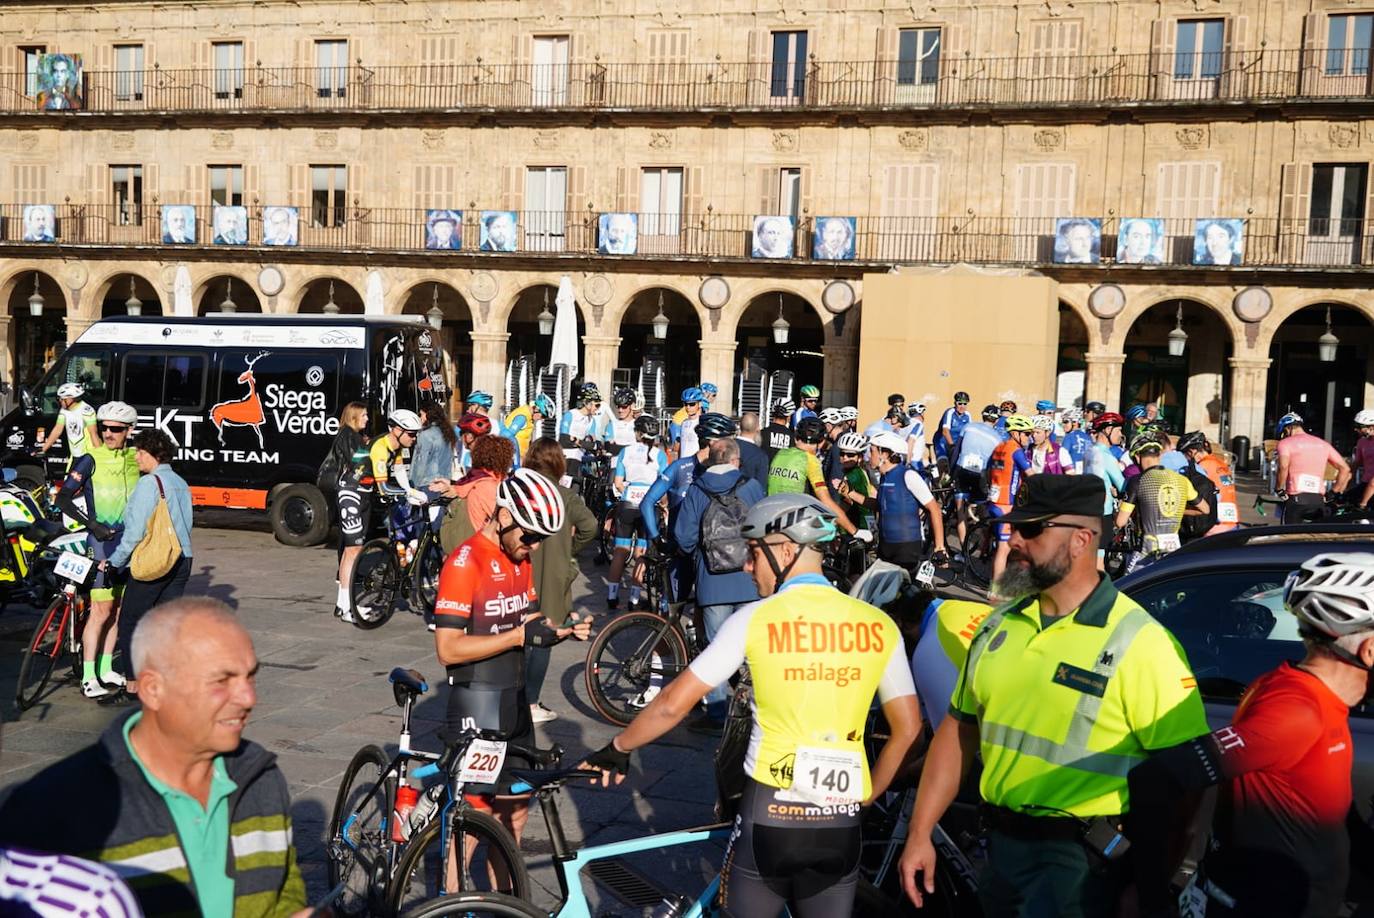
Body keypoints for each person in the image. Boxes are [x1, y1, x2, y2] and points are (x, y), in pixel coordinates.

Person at [583, 494, 921, 918]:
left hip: (771, 815)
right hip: (841, 822)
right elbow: (908, 729)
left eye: (753, 552)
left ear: (785, 550)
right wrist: (868, 796)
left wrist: (619, 747)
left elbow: (672, 704)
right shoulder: (879, 624)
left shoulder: (756, 618)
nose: (747, 566)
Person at [897, 474, 1208, 918]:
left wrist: (1151, 881)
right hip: (1002, 852)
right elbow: (959, 733)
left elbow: (1186, 778)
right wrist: (920, 832)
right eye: (1014, 528)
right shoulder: (996, 626)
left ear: (1081, 540)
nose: (1015, 540)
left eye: (1032, 529)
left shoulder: (1140, 642)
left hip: (1080, 865)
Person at [0, 598, 312, 917]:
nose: (249, 698)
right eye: (222, 680)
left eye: (250, 677)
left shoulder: (260, 778)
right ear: (152, 689)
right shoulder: (49, 810)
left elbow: (283, 887)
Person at [1127, 552, 1374, 918]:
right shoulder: (1296, 712)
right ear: (1369, 650)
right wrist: (1149, 896)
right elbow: (1156, 779)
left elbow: (1331, 810)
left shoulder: (1319, 697)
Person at [434, 468, 590, 844]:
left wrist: (560, 630)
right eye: (530, 535)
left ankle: (508, 902)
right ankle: (455, 902)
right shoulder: (464, 562)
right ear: (504, 516)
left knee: (516, 816)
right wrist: (517, 636)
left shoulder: (519, 559)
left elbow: (529, 619)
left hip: (514, 702)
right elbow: (447, 649)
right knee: (472, 827)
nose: (534, 545)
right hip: (478, 704)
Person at [672, 437, 766, 731]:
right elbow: (765, 527)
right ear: (735, 461)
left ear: (712, 460)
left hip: (712, 583)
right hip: (750, 580)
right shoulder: (750, 487)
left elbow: (683, 538)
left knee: (715, 650)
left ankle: (715, 713)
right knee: (753, 651)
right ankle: (756, 710)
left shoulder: (697, 490)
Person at [55, 400, 140, 700]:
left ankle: (106, 668)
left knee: (118, 610)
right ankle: (89, 675)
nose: (108, 433)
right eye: (104, 427)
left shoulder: (135, 457)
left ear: (129, 431)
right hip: (101, 542)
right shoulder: (90, 458)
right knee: (100, 611)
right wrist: (92, 525)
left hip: (128, 544)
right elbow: (62, 500)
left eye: (116, 429)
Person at [104, 429, 194, 701]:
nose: (136, 458)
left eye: (139, 452)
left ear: (152, 453)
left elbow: (135, 533)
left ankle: (133, 686)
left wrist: (114, 561)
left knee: (131, 620)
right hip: (182, 559)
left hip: (155, 561)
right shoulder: (180, 482)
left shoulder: (149, 484)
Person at [520, 439, 599, 723]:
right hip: (553, 573)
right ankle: (530, 702)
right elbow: (590, 527)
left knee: (515, 634)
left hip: (520, 568)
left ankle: (514, 697)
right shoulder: (565, 496)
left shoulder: (520, 490)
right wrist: (571, 549)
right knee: (544, 634)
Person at [1115, 430, 1209, 573]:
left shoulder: (1138, 481)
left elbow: (1120, 522)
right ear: (1159, 455)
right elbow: (1205, 509)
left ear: (1138, 457)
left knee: (1130, 589)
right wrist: (1177, 510)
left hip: (1145, 549)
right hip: (1173, 548)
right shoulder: (1181, 480)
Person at [768, 417, 868, 542]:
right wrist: (855, 531)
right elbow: (826, 501)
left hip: (771, 518)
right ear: (821, 441)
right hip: (793, 525)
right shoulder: (811, 460)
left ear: (796, 437)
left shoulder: (781, 454)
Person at [859, 431, 946, 570]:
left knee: (904, 590)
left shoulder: (908, 475)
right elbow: (880, 505)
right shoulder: (884, 477)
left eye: (872, 450)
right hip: (885, 545)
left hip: (906, 547)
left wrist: (940, 547)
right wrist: (850, 493)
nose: (869, 455)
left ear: (885, 454)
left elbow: (934, 508)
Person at [607, 416, 668, 610]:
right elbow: (664, 485)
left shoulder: (626, 451)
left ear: (638, 433)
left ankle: (611, 596)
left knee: (620, 551)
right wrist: (664, 505)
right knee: (641, 553)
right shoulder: (660, 454)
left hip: (627, 502)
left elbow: (617, 482)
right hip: (648, 506)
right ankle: (633, 599)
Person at [327, 402, 371, 621]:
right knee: (354, 550)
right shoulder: (349, 436)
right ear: (353, 417)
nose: (367, 419)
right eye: (363, 415)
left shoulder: (349, 435)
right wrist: (371, 453)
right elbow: (360, 464)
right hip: (352, 494)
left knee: (349, 551)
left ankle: (342, 604)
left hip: (348, 493)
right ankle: (348, 608)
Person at [985, 414, 1035, 588]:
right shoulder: (1016, 450)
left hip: (994, 501)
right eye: (1026, 433)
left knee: (1004, 544)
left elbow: (987, 471)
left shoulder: (999, 446)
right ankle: (996, 590)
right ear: (1015, 433)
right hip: (1006, 505)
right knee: (1003, 549)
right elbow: (1031, 475)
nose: (1029, 437)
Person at [1275, 412, 1351, 523]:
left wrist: (1279, 489)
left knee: (1288, 537)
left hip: (1296, 500)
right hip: (1318, 501)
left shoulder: (1285, 443)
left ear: (1287, 429)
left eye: (1284, 434)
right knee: (1314, 537)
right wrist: (1333, 493)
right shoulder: (1323, 444)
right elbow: (1345, 469)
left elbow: (1283, 466)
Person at [1084, 412, 1127, 569]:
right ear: (1108, 430)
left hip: (1087, 510)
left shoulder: (1089, 452)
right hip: (1103, 512)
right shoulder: (1106, 457)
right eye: (1118, 430)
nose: (1121, 435)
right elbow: (1123, 486)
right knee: (1098, 563)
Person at [38, 381, 97, 463]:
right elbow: (57, 430)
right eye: (59, 399)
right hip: (74, 455)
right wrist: (43, 449)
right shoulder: (64, 411)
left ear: (71, 398)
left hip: (87, 455)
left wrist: (99, 456)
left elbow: (93, 434)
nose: (60, 401)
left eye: (62, 399)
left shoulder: (87, 411)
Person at [559, 383, 603, 483]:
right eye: (597, 405)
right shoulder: (570, 415)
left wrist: (576, 441)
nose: (598, 408)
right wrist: (583, 443)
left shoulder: (592, 421)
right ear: (587, 403)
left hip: (579, 458)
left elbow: (594, 444)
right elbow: (564, 440)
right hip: (565, 457)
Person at [410, 401, 459, 491]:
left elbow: (420, 463)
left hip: (427, 484)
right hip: (445, 483)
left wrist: (413, 485)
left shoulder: (425, 435)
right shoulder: (447, 433)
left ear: (428, 415)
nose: (420, 418)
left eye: (421, 415)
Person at [833, 432, 874, 532]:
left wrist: (835, 520)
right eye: (842, 454)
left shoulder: (852, 476)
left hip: (857, 523)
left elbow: (847, 502)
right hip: (868, 520)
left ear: (859, 457)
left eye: (850, 454)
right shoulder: (862, 470)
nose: (845, 458)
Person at [504, 393, 554, 459]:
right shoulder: (522, 417)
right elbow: (507, 436)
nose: (542, 419)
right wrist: (516, 463)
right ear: (536, 409)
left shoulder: (528, 417)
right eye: (543, 416)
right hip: (512, 458)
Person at [934, 391, 971, 464]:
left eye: (965, 404)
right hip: (943, 441)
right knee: (943, 463)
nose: (962, 406)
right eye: (959, 403)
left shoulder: (967, 415)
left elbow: (969, 433)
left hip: (956, 444)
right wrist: (952, 446)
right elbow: (945, 431)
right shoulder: (950, 412)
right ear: (955, 403)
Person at [669, 386, 704, 461]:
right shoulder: (684, 423)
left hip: (696, 465)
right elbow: (678, 449)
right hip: (683, 465)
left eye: (692, 404)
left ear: (699, 404)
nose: (688, 407)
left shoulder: (703, 423)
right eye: (685, 404)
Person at [734, 416, 770, 485]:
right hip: (747, 494)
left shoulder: (727, 446)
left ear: (740, 426)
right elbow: (761, 487)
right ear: (758, 428)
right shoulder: (760, 456)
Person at [1352, 409, 1374, 509]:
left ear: (1371, 427)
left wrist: (1363, 503)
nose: (1355, 429)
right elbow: (1356, 464)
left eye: (1359, 427)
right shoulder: (1362, 442)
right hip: (1365, 484)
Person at [1059, 408, 1091, 473]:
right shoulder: (1088, 437)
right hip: (1087, 475)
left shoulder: (1069, 437)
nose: (1063, 425)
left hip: (1072, 475)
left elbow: (1062, 456)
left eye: (1065, 422)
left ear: (1075, 422)